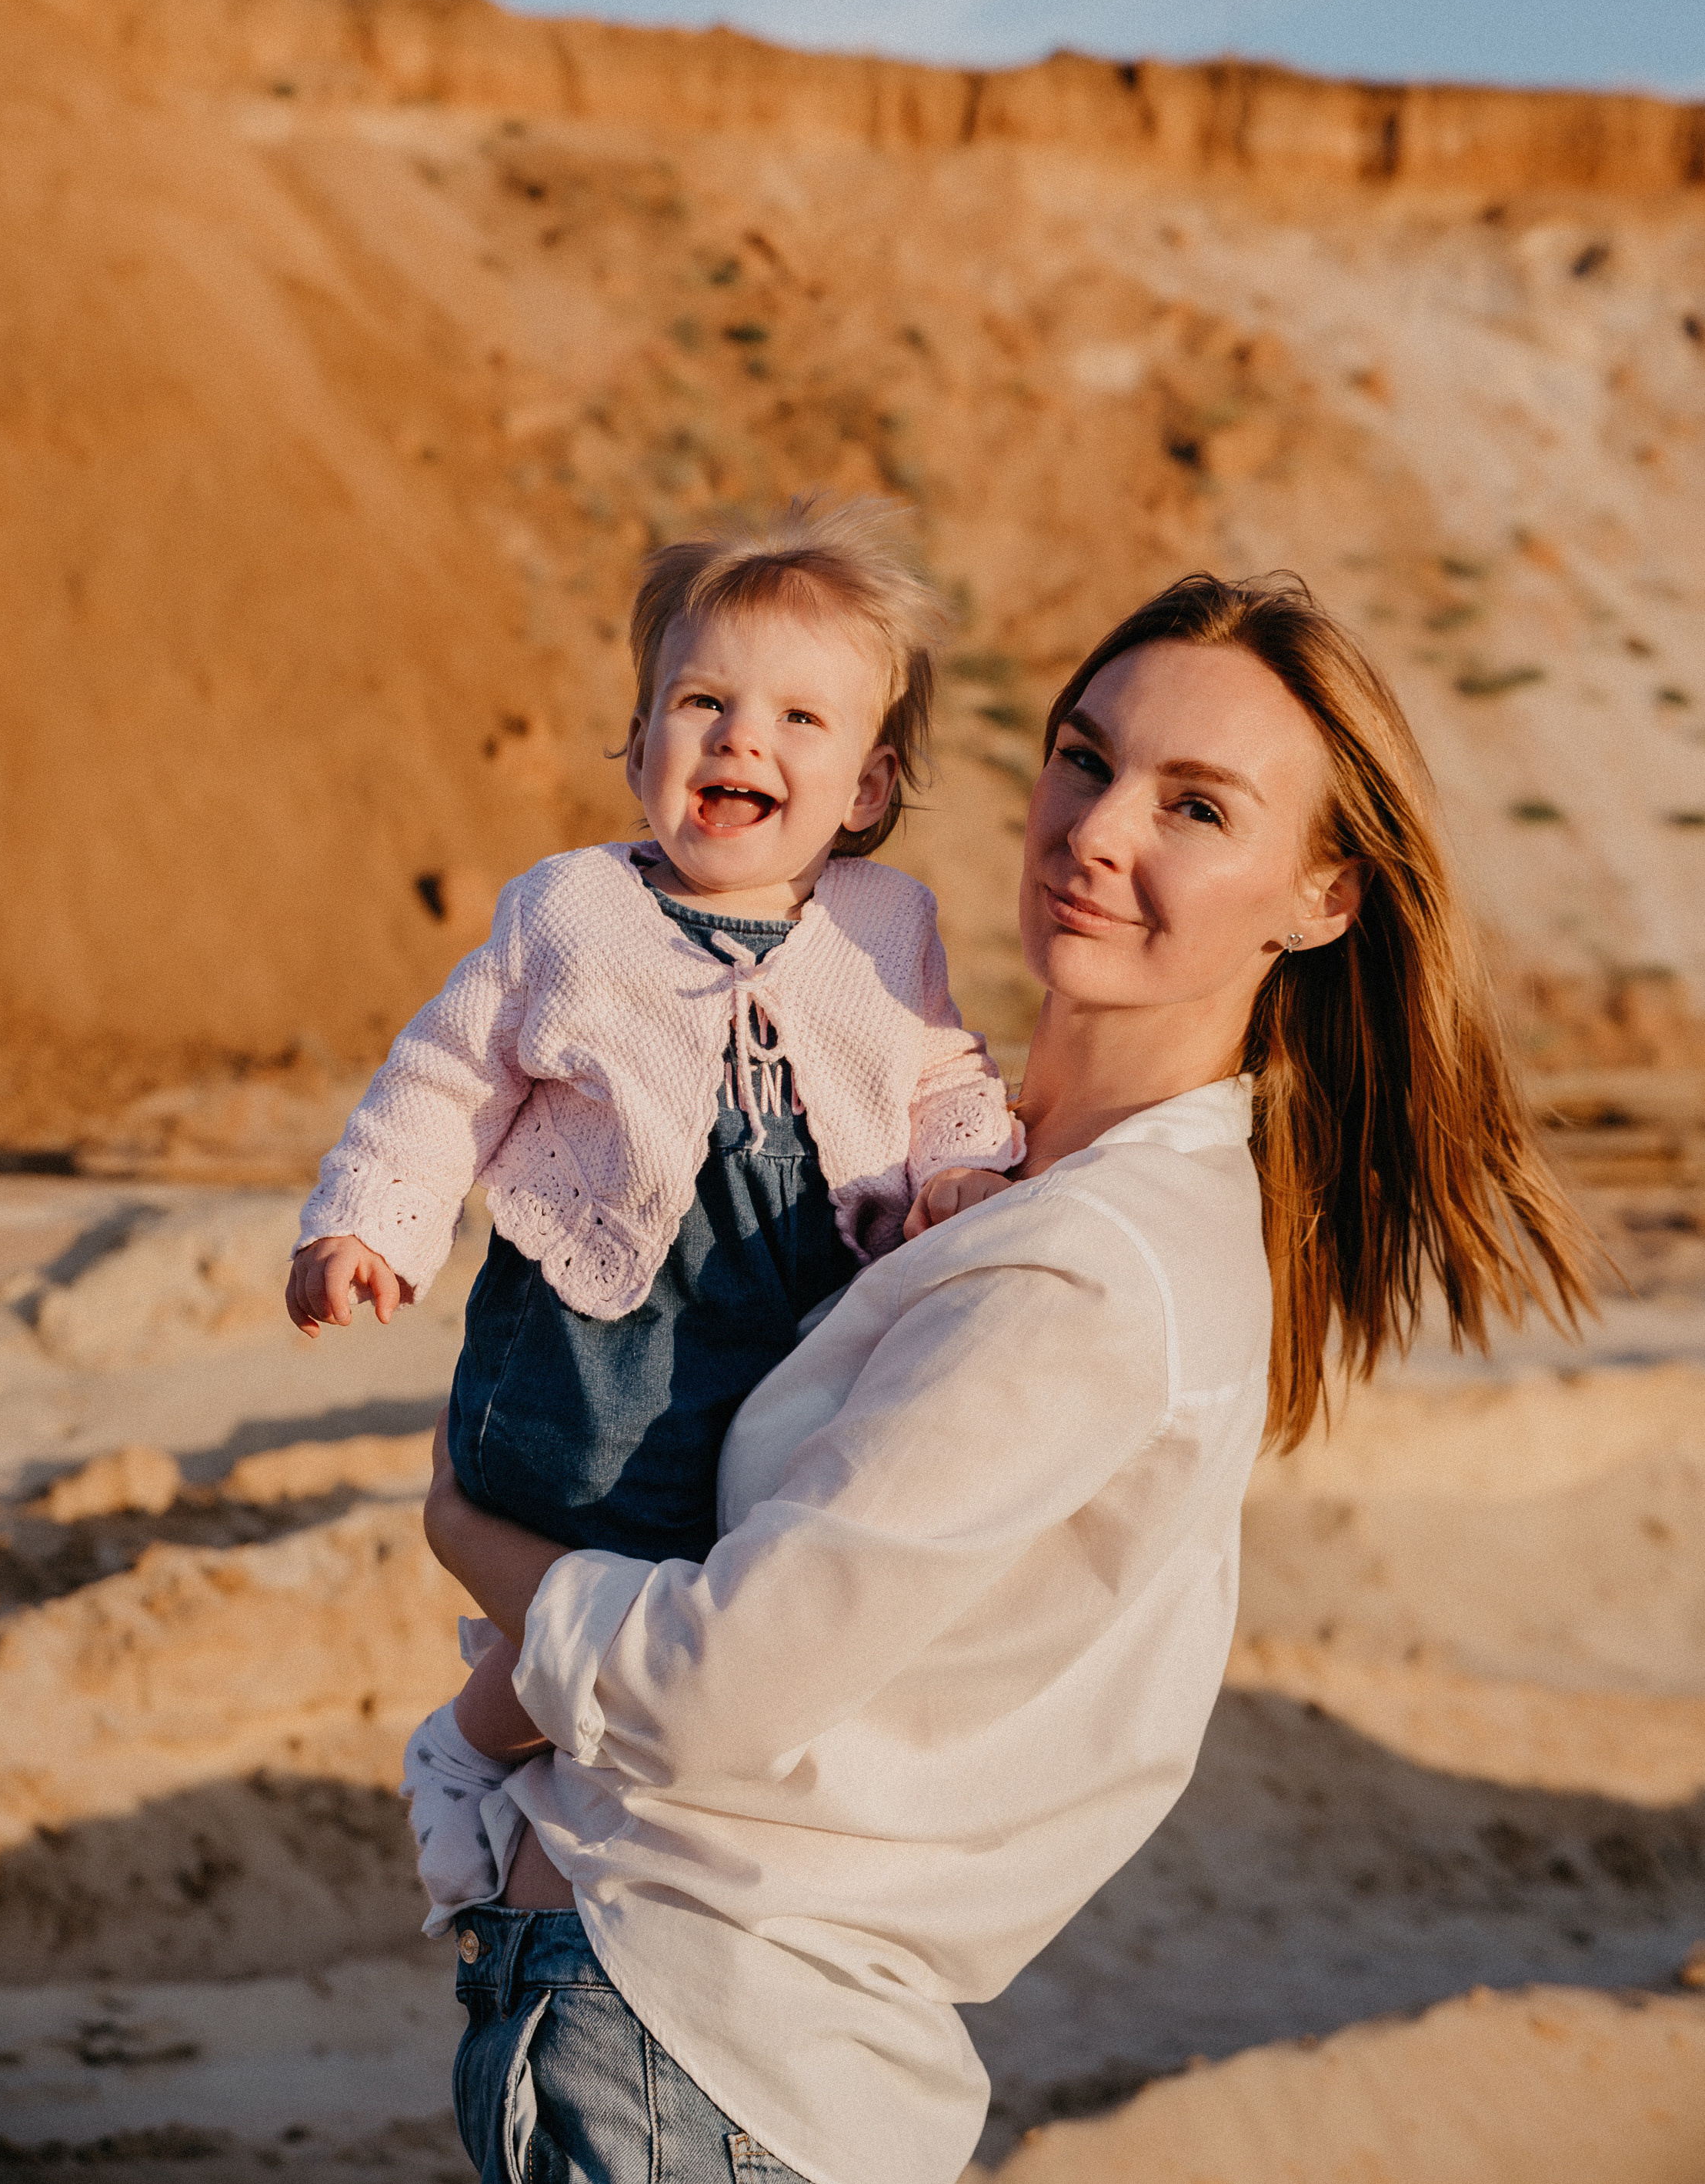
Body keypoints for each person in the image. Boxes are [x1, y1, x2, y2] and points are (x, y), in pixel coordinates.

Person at [419, 569, 1597, 2184]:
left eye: (1196, 806)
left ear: (1320, 894)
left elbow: (711, 1687)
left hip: (709, 2069)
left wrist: (469, 1533)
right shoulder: (974, 1175)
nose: (1099, 831)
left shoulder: (1098, 1266)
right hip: (665, 2043)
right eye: (1085, 757)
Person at [284, 499, 1021, 1916]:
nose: (745, 739)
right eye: (702, 703)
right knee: (598, 1565)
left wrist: (960, 1169)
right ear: (637, 751)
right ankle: (466, 1755)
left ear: (865, 789)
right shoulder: (566, 915)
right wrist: (371, 1219)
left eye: (801, 720)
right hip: (598, 1330)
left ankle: (519, 1755)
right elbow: (445, 1078)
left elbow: (937, 1070)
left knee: (721, 1598)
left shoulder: (887, 927)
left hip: (788, 1325)